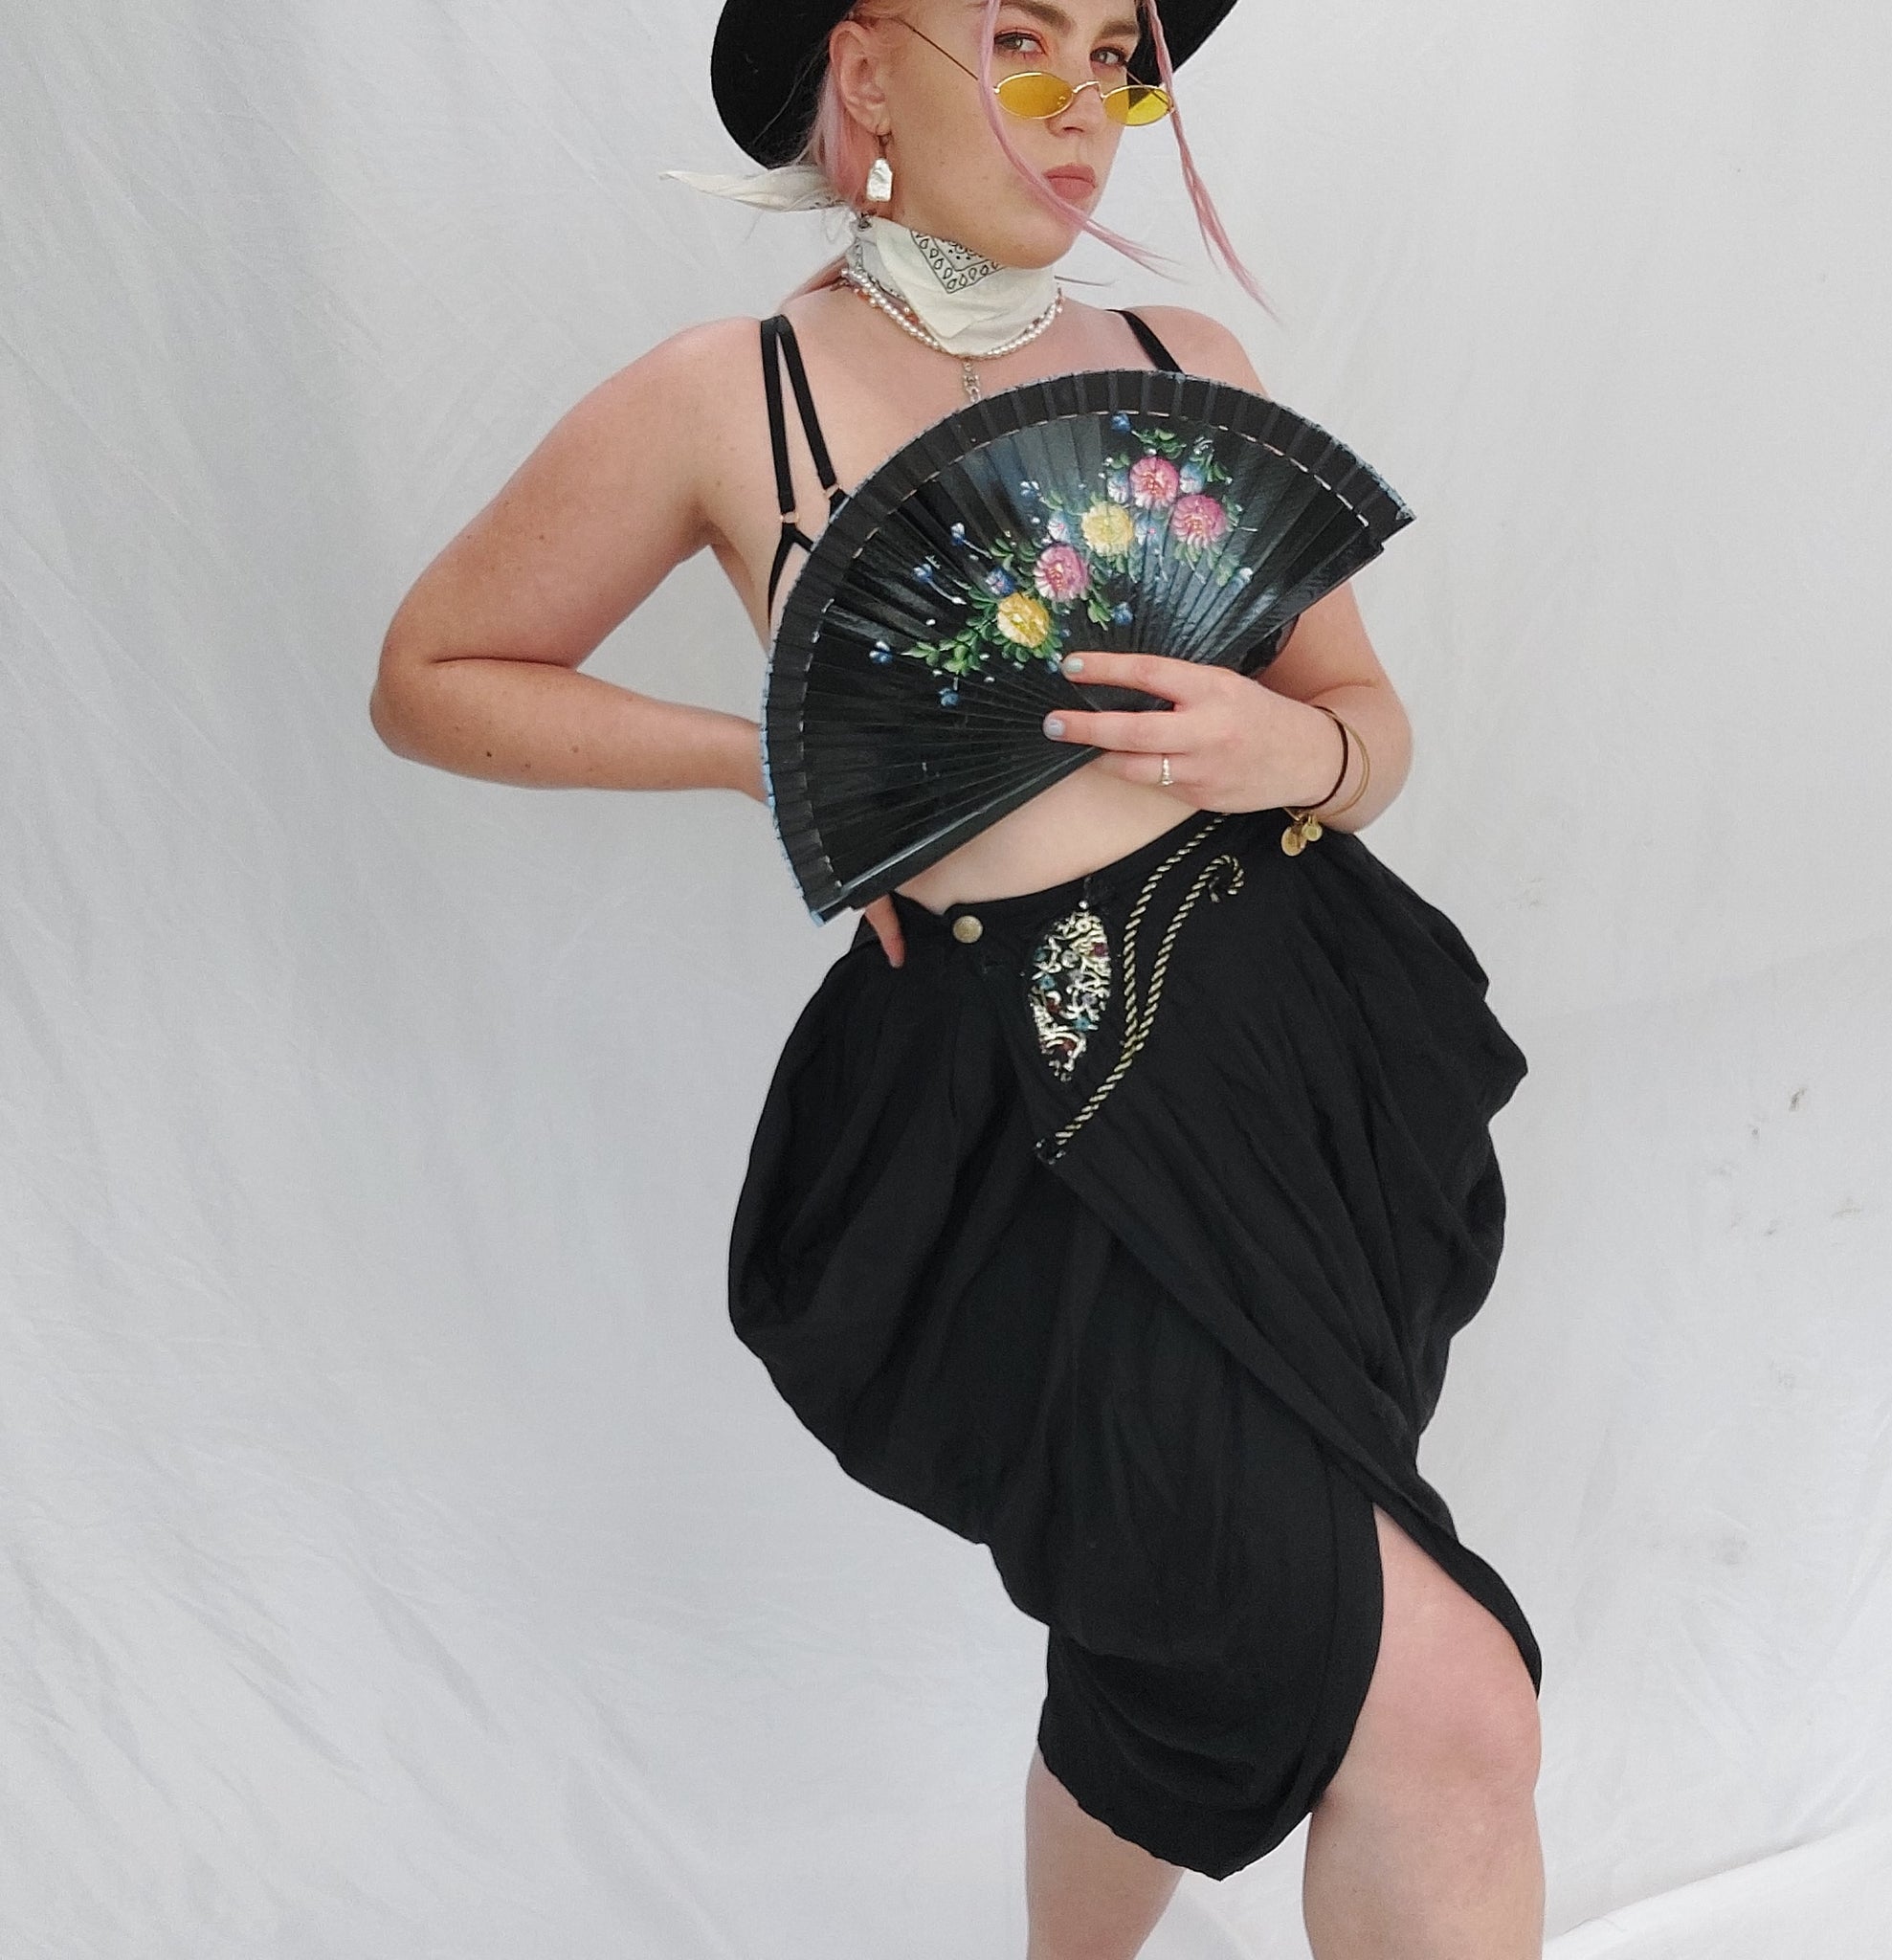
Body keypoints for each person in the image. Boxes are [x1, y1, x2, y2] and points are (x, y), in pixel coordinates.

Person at [368, 1, 1548, 1953]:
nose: (1085, 105)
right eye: (1018, 38)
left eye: (1118, 53)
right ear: (865, 73)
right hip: (1025, 1113)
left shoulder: (1183, 365)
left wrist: (1298, 748)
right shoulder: (727, 397)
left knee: (1174, 1634)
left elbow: (1365, 722)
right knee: (1446, 1709)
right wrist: (757, 757)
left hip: (1292, 1048)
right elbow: (436, 675)